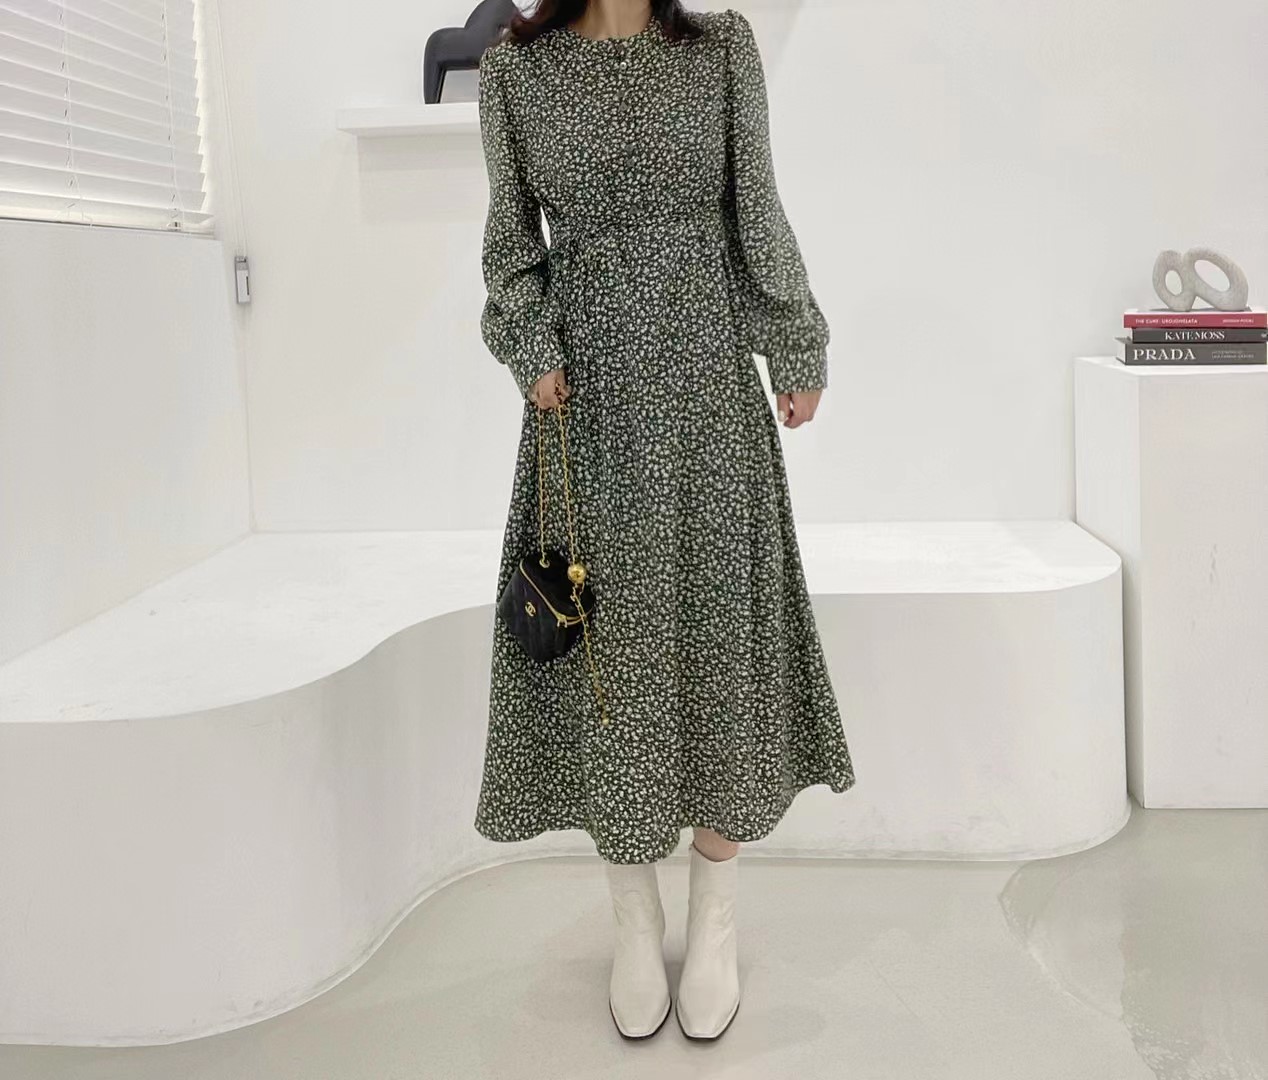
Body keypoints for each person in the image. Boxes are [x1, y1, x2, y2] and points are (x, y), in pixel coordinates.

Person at [473, 0, 856, 1042]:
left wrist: (794, 338)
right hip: (587, 406)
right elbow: (509, 243)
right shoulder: (515, 71)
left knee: (719, 644)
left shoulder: (719, 48)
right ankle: (632, 917)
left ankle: (714, 914)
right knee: (614, 656)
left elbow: (754, 205)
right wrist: (529, 345)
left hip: (706, 391)